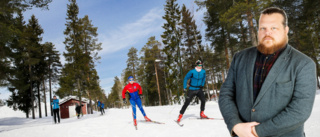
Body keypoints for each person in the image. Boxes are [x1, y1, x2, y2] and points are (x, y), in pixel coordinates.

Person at [218, 7, 316, 137]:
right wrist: (235, 125)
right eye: (263, 28)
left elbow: (300, 110)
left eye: (274, 28)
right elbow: (226, 94)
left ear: (286, 30)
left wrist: (256, 132)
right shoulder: (239, 58)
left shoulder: (303, 64)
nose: (267, 33)